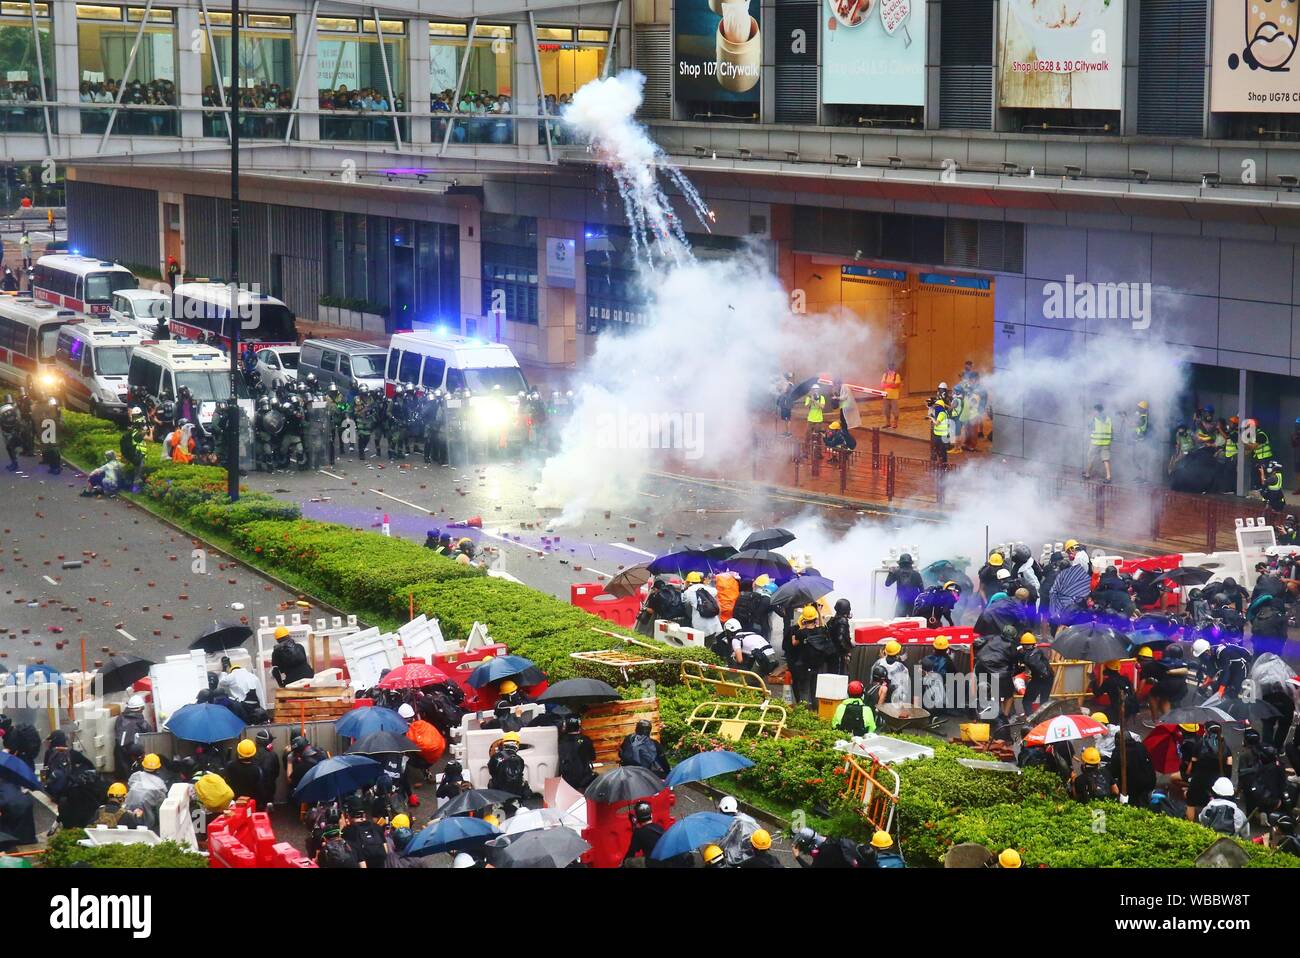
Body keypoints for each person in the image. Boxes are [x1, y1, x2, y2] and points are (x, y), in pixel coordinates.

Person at [124, 753, 168, 830]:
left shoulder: (135, 776)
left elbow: (130, 787)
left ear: (143, 765)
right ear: (158, 768)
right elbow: (161, 807)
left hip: (127, 814)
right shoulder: (159, 783)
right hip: (146, 820)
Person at [113, 694, 152, 778]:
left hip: (119, 756)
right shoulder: (141, 723)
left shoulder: (120, 718)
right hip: (132, 756)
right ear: (140, 709)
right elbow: (150, 734)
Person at [487, 732, 533, 801]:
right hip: (515, 792)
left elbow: (492, 772)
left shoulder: (495, 757)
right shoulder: (519, 759)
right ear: (516, 745)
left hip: (498, 791)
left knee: (491, 781)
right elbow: (519, 775)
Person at [557, 715, 597, 791]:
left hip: (567, 780)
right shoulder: (586, 740)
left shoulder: (560, 741)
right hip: (584, 779)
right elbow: (593, 757)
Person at [1018, 633, 1053, 715]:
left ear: (1023, 645)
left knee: (1026, 701)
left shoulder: (1030, 655)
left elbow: (1035, 664)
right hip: (1048, 678)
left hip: (1039, 679)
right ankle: (1042, 721)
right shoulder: (1038, 651)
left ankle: (1031, 721)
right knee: (1044, 702)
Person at [223, 738, 267, 804]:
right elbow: (260, 791)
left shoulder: (230, 766)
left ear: (238, 752)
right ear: (253, 754)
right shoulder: (257, 770)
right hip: (251, 804)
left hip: (234, 804)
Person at [623, 801, 665, 867]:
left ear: (636, 818)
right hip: (664, 861)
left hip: (652, 863)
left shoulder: (638, 833)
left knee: (628, 862)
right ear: (651, 815)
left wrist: (623, 863)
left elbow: (632, 851)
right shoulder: (659, 828)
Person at [885, 553, 924, 618]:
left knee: (898, 623)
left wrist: (891, 572)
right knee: (914, 623)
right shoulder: (916, 574)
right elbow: (922, 591)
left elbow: (887, 584)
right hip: (913, 604)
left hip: (901, 603)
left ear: (900, 563)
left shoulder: (897, 572)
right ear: (911, 563)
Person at [1084, 402, 1113, 483]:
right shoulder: (1108, 418)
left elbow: (1089, 427)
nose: (1093, 412)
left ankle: (1087, 474)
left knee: (1091, 458)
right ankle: (1108, 477)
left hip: (1096, 442)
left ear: (1096, 410)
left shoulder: (1095, 418)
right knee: (1106, 459)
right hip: (1106, 442)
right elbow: (1111, 429)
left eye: (1094, 410)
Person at [879, 362, 902, 429]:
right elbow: (882, 385)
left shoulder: (896, 375)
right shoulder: (885, 375)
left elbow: (896, 385)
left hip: (894, 396)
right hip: (886, 396)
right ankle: (888, 423)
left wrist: (887, 385)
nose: (890, 370)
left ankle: (895, 423)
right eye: (889, 368)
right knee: (886, 410)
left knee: (895, 411)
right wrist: (891, 384)